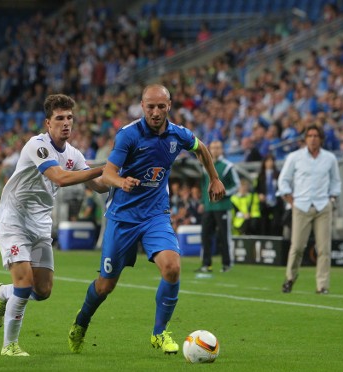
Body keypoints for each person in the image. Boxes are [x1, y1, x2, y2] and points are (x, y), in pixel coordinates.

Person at [67, 84, 225, 355]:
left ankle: (159, 333)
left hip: (155, 216)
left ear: (169, 106)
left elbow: (201, 148)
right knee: (106, 285)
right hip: (122, 218)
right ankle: (81, 322)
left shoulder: (179, 134)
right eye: (150, 106)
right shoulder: (128, 135)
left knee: (172, 267)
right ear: (142, 106)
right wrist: (121, 181)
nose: (155, 111)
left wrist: (214, 177)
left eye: (161, 106)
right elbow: (108, 173)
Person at [0, 94, 108, 357]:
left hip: (40, 224)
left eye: (69, 118)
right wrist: (103, 167)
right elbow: (61, 178)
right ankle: (10, 345)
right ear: (47, 123)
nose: (66, 123)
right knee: (23, 283)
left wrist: (121, 177)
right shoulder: (37, 145)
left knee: (42, 291)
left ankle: (2, 293)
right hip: (14, 220)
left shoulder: (74, 154)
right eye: (60, 118)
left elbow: (97, 186)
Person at [278, 124, 341, 294]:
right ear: (305, 139)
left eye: (316, 136)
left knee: (324, 249)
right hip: (302, 206)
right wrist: (290, 199)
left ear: (321, 139)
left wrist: (332, 198)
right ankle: (290, 278)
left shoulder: (330, 158)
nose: (313, 139)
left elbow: (336, 180)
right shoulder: (294, 157)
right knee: (297, 247)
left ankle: (322, 286)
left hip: (322, 206)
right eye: (310, 136)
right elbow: (283, 180)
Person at [196, 140, 240, 273]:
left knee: (224, 236)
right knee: (205, 235)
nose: (215, 150)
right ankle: (206, 264)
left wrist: (223, 194)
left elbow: (236, 185)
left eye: (218, 148)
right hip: (209, 207)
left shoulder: (227, 166)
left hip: (223, 207)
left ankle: (227, 264)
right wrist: (203, 202)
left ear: (222, 150)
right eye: (213, 148)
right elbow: (204, 186)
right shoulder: (205, 165)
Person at [255, 153, 284, 236]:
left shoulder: (278, 174)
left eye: (271, 161)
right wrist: (260, 194)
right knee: (264, 223)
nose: (270, 163)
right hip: (264, 202)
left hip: (276, 202)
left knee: (276, 223)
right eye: (268, 161)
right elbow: (257, 188)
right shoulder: (261, 175)